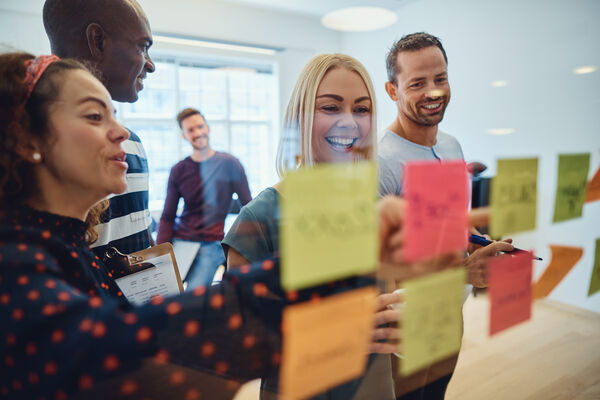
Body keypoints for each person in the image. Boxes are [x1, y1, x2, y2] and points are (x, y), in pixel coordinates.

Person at [0, 52, 420, 400]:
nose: (120, 131)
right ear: (25, 139)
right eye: (93, 116)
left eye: (361, 108)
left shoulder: (66, 247)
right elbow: (113, 350)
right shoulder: (17, 259)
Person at [223, 54, 399, 400]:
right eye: (331, 108)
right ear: (300, 116)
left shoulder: (372, 209)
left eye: (361, 110)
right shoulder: (259, 219)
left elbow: (385, 306)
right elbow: (243, 347)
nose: (349, 122)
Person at [378, 32, 514, 399]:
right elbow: (376, 268)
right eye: (417, 83)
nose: (433, 92)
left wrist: (479, 247)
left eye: (440, 79)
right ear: (393, 91)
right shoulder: (380, 161)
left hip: (451, 309)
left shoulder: (452, 145)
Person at [43, 0, 156, 257]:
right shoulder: (39, 150)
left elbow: (143, 243)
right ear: (98, 41)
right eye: (143, 47)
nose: (150, 65)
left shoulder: (133, 143)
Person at [157, 108, 252, 289]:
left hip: (211, 243)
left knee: (194, 294)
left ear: (208, 128)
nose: (197, 133)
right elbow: (168, 216)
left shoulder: (229, 164)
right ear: (184, 135)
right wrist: (160, 255)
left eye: (200, 127)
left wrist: (241, 242)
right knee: (166, 292)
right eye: (191, 130)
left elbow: (247, 206)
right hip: (182, 240)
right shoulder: (179, 170)